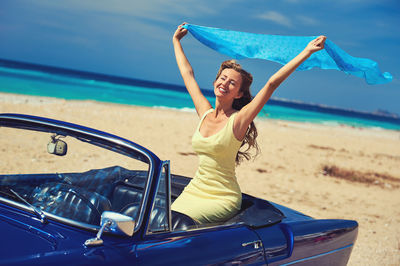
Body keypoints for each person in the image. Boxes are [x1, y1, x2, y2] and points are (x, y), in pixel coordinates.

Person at [171, 22, 326, 224]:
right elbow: (187, 74)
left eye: (232, 83)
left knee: (177, 225)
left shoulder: (239, 120)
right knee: (162, 224)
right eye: (223, 78)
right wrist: (175, 41)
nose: (225, 83)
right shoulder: (205, 113)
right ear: (215, 81)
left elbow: (271, 84)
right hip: (195, 189)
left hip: (221, 197)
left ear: (239, 94)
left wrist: (306, 52)